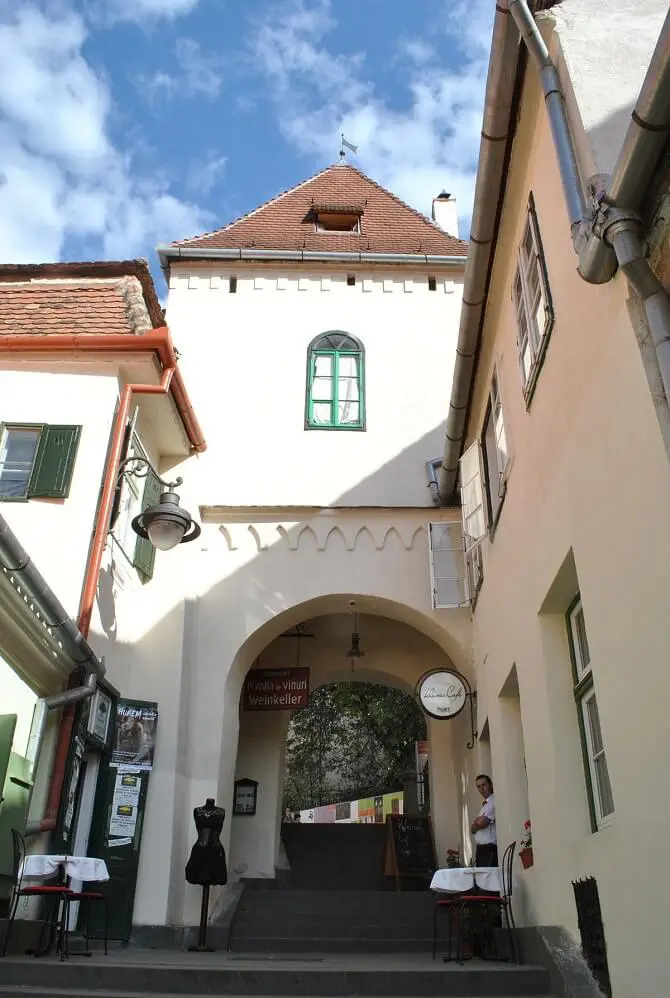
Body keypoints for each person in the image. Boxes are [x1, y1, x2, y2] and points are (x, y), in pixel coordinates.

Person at [471, 774, 497, 867]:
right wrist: (477, 822)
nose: (482, 788)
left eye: (484, 785)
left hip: (489, 849)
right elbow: (472, 830)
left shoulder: (493, 801)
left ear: (490, 784)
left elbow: (481, 823)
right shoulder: (486, 804)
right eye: (478, 786)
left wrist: (477, 822)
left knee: (487, 879)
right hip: (481, 850)